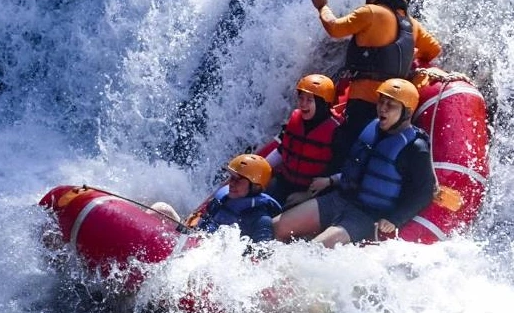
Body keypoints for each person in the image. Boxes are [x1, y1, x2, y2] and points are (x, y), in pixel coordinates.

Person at [271, 78, 436, 248]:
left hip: (366, 215)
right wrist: (327, 183)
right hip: (338, 198)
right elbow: (354, 166)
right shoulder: (370, 127)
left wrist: (395, 219)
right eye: (381, 102)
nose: (382, 108)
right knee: (275, 227)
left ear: (407, 112)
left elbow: (423, 193)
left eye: (391, 105)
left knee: (313, 249)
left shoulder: (415, 148)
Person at [310, 0, 442, 167]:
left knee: (346, 151)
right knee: (374, 155)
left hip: (363, 102)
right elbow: (434, 50)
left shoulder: (370, 12)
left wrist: (322, 6)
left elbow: (334, 28)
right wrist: (411, 55)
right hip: (394, 107)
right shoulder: (412, 25)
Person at [150, 154, 283, 243]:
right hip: (194, 240)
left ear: (255, 187)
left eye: (239, 180)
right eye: (231, 177)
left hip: (211, 261)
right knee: (161, 208)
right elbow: (201, 220)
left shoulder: (260, 220)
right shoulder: (223, 197)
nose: (231, 183)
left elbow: (259, 259)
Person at [262, 74, 342, 208]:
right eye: (301, 98)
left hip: (314, 191)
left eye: (309, 100)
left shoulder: (337, 131)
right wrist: (260, 169)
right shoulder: (295, 120)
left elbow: (340, 170)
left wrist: (307, 194)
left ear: (322, 103)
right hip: (284, 181)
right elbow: (281, 151)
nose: (303, 104)